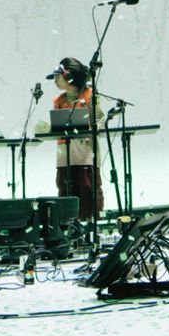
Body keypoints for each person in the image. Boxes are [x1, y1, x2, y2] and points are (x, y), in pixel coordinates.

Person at [50, 57, 103, 220]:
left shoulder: (90, 95)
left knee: (88, 191)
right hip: (65, 156)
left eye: (57, 77)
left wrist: (91, 128)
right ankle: (69, 228)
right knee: (66, 193)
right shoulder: (59, 101)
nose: (55, 82)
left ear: (68, 76)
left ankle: (90, 225)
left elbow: (100, 119)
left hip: (86, 154)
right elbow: (57, 127)